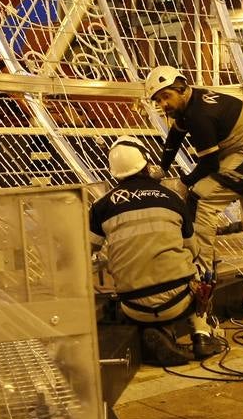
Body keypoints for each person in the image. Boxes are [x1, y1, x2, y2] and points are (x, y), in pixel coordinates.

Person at [145, 65, 243, 324]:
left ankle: (201, 290)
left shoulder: (199, 115)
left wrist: (183, 182)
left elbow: (209, 165)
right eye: (158, 100)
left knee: (200, 198)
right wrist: (162, 169)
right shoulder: (192, 104)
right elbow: (174, 139)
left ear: (180, 87)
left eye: (166, 96)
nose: (163, 104)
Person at [90, 136, 224, 365]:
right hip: (178, 301)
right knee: (198, 273)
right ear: (146, 162)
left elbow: (85, 249)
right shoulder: (172, 198)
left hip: (132, 305)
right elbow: (192, 249)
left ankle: (156, 331)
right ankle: (202, 335)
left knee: (144, 286)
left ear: (114, 171)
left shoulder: (101, 206)